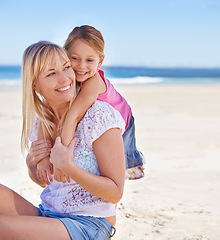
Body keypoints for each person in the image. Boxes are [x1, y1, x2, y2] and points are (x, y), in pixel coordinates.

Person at [0, 41, 125, 239]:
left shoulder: (98, 117)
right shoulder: (40, 122)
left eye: (67, 67)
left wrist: (68, 166)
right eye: (51, 74)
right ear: (35, 85)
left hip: (90, 224)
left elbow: (115, 193)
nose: (65, 78)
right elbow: (44, 182)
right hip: (48, 214)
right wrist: (31, 164)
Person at [37, 25, 145, 184]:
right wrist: (41, 159)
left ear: (100, 61)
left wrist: (61, 163)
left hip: (123, 122)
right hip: (96, 122)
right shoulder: (68, 80)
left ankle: (111, 207)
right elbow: (46, 113)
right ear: (65, 55)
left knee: (111, 169)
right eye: (74, 58)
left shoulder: (94, 82)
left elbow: (73, 115)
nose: (81, 66)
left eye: (89, 60)